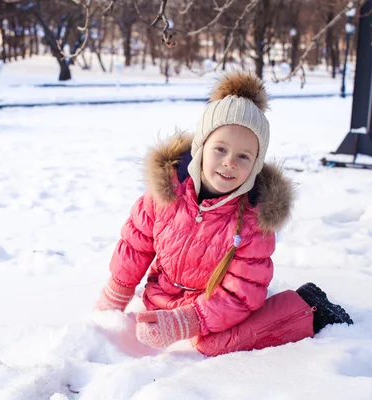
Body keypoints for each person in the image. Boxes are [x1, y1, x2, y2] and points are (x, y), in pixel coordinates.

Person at [94, 71, 353, 356]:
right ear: (200, 148)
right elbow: (135, 244)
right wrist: (115, 296)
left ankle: (307, 308)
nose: (229, 163)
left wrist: (188, 321)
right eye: (220, 149)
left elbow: (242, 293)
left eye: (243, 156)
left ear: (255, 164)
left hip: (216, 305)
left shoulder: (254, 219)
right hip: (163, 297)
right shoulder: (167, 191)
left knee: (214, 344)